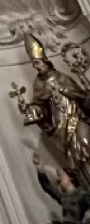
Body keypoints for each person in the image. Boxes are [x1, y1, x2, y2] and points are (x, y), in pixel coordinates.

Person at [19, 33, 90, 187]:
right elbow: (39, 105)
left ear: (45, 61)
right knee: (74, 156)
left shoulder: (60, 77)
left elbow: (79, 94)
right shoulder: (38, 84)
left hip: (75, 116)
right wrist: (30, 110)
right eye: (33, 64)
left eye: (37, 62)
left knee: (86, 141)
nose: (36, 66)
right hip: (61, 125)